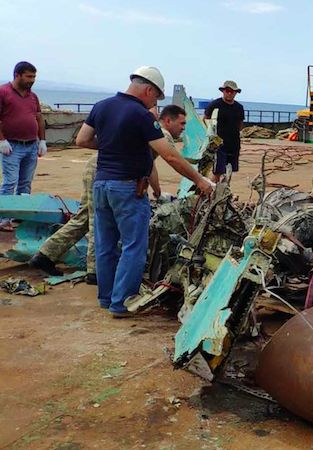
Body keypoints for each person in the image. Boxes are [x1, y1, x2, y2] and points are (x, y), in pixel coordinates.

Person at [75, 66, 214, 318]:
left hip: (101, 185)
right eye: (156, 98)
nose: (155, 105)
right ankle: (122, 302)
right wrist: (199, 180)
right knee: (134, 246)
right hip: (128, 188)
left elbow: (82, 140)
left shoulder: (101, 106)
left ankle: (106, 297)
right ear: (149, 90)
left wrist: (113, 146)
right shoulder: (141, 115)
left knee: (106, 245)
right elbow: (170, 156)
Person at [29, 105, 189, 281]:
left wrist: (156, 190)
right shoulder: (162, 135)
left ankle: (45, 255)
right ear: (168, 121)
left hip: (98, 166)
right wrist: (198, 181)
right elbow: (172, 159)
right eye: (182, 123)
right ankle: (95, 271)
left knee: (84, 218)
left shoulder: (150, 130)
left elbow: (149, 164)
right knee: (98, 220)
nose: (184, 128)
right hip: (106, 171)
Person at [0, 61, 47, 232]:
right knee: (10, 182)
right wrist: (1, 140)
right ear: (17, 75)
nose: (32, 80)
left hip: (31, 145)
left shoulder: (32, 96)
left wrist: (42, 140)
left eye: (34, 77)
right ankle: (3, 219)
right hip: (12, 146)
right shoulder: (3, 92)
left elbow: (39, 118)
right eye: (29, 76)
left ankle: (20, 215)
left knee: (25, 183)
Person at [204, 80, 244, 183]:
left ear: (236, 93)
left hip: (234, 144)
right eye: (227, 91)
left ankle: (224, 190)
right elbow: (205, 119)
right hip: (219, 144)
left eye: (232, 91)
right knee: (218, 171)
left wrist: (238, 133)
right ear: (223, 91)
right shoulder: (214, 105)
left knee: (229, 171)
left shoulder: (239, 108)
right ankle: (211, 189)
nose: (229, 93)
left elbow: (240, 123)